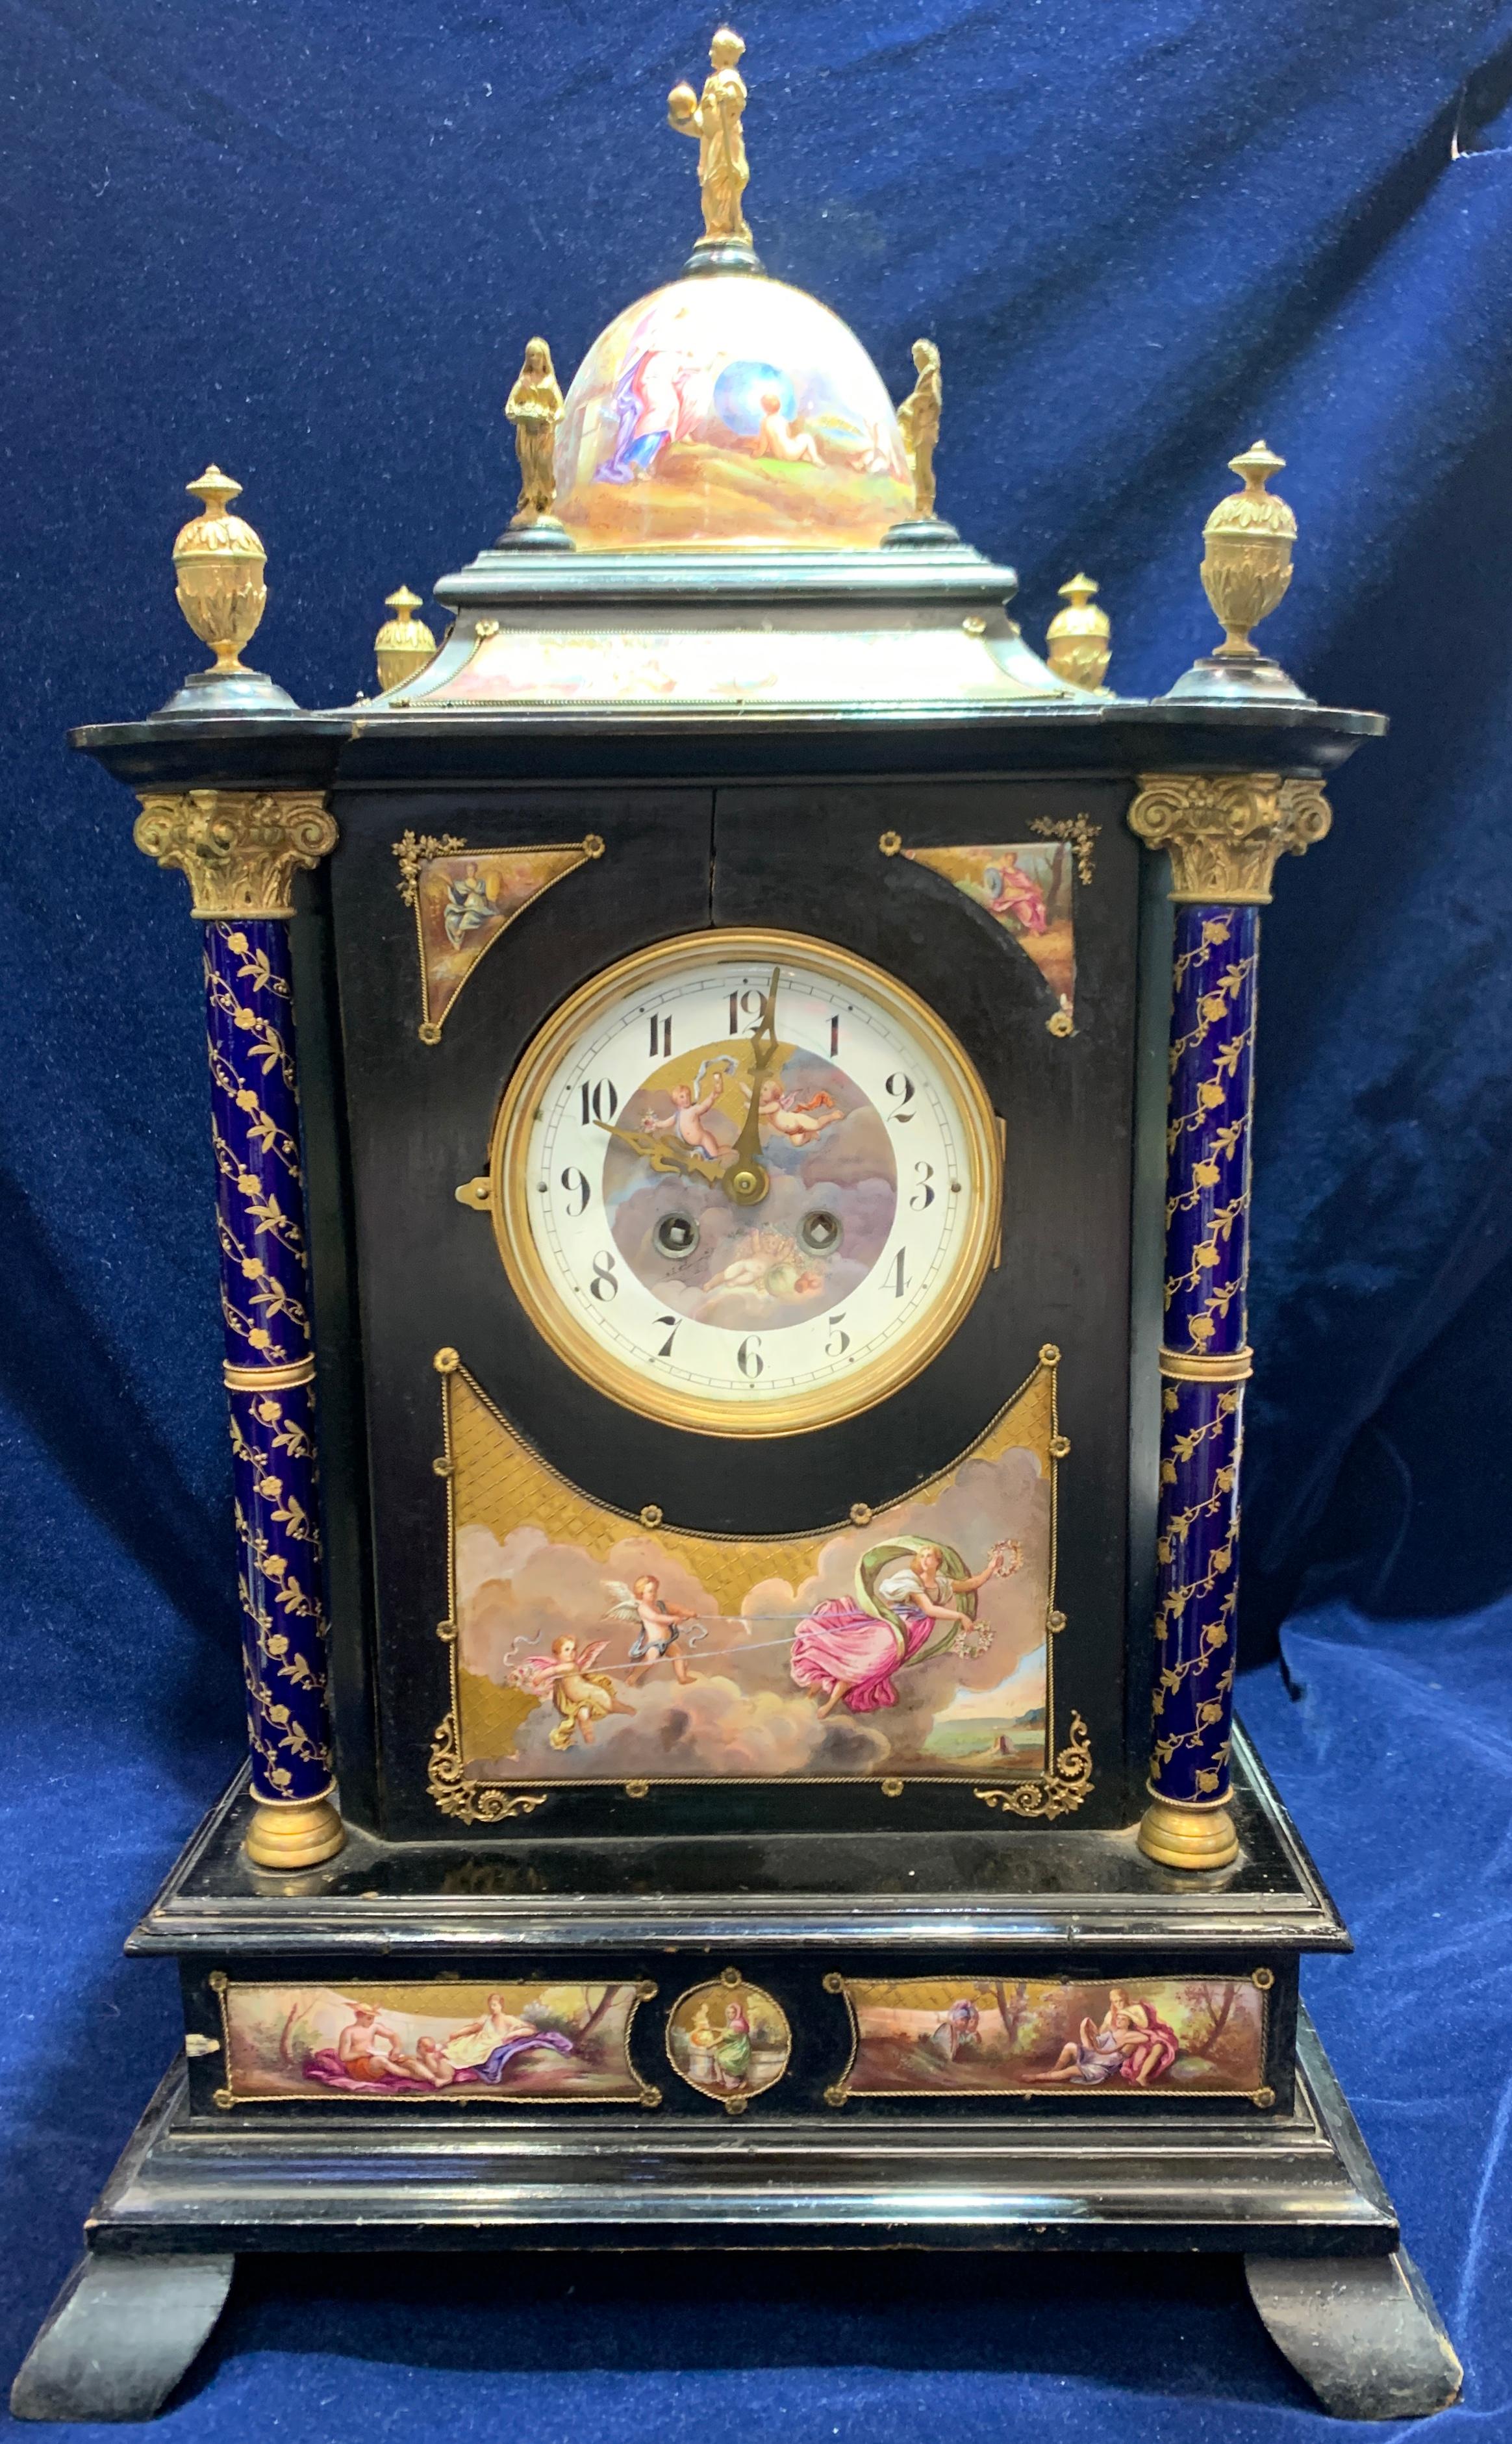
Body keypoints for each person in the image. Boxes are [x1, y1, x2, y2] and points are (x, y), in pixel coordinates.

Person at [791, 1539, 1014, 1718]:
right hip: (893, 1630)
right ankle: (824, 1700)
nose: (926, 1559)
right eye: (922, 1555)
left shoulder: (944, 1584)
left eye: (930, 1556)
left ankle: (823, 1696)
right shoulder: (910, 1580)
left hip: (913, 1635)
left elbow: (971, 1584)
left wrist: (991, 1568)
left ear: (938, 1561)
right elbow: (928, 1609)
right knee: (863, 1664)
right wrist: (960, 1616)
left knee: (868, 1669)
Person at [667, 27, 751, 245]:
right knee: (711, 187)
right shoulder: (711, 81)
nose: (710, 54)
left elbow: (737, 99)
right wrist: (681, 122)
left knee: (722, 181)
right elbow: (704, 124)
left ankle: (727, 227)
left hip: (726, 142)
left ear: (725, 54)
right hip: (713, 144)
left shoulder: (729, 76)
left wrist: (728, 97)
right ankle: (717, 228)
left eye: (714, 49)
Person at [504, 337, 564, 525]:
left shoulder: (550, 382)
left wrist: (552, 417)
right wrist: (519, 413)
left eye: (537, 355)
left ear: (544, 357)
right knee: (529, 467)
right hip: (527, 434)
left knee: (544, 463)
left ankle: (544, 501)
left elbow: (560, 408)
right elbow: (510, 407)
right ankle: (530, 502)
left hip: (545, 432)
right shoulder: (524, 382)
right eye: (530, 356)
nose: (534, 359)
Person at [620, 1574, 698, 1689]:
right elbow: (656, 1618)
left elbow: (676, 1608)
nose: (654, 1594)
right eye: (650, 1591)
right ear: (642, 1594)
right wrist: (672, 1619)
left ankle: (682, 1677)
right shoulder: (643, 1609)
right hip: (656, 1643)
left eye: (655, 1590)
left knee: (678, 1655)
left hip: (668, 1641)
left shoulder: (660, 1605)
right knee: (649, 1661)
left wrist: (689, 1613)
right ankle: (632, 1679)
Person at [896, 338, 942, 519]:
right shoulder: (929, 374)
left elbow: (932, 400)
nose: (916, 360)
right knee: (919, 466)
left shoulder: (931, 373)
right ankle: (921, 504)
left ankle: (925, 505)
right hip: (921, 427)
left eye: (918, 356)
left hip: (925, 427)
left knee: (922, 467)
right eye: (915, 357)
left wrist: (912, 404)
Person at [754, 388, 822, 467]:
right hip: (791, 454)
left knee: (796, 442)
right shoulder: (782, 420)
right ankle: (815, 458)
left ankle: (807, 456)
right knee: (806, 437)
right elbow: (788, 436)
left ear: (764, 408)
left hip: (779, 456)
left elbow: (764, 444)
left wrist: (757, 454)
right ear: (779, 407)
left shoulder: (765, 422)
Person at [985, 851, 1049, 936]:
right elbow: (1000, 887)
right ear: (1005, 859)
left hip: (1024, 894)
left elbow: (1027, 883)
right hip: (1010, 896)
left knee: (1038, 905)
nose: (1011, 861)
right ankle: (1033, 929)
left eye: (1013, 860)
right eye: (1009, 859)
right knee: (1025, 906)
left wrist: (1034, 888)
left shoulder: (1019, 872)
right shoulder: (1002, 872)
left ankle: (1038, 928)